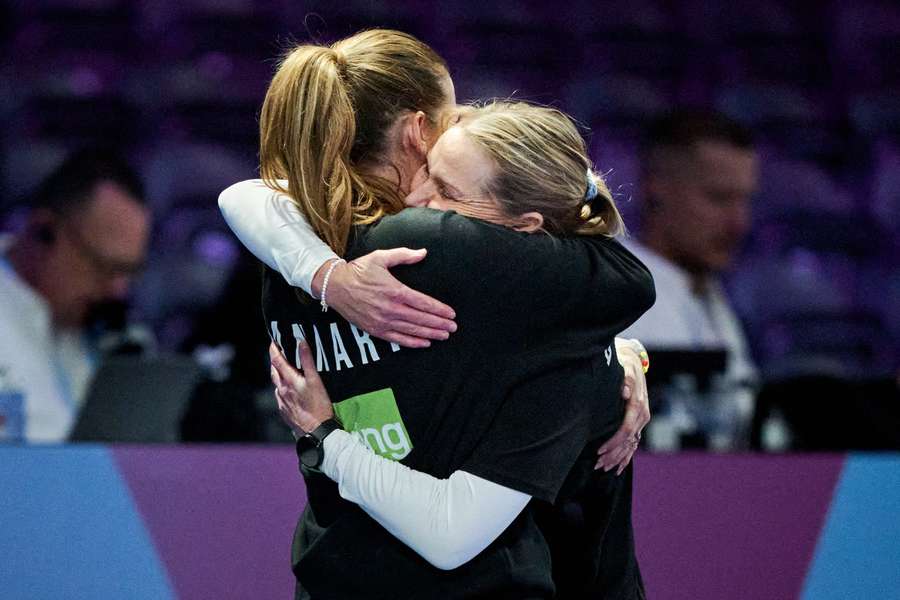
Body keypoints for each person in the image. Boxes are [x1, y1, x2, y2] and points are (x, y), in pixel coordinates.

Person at [223, 29, 653, 599]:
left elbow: (249, 194)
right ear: (417, 132)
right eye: (453, 120)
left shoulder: (288, 254)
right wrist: (613, 352)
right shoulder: (438, 245)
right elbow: (629, 282)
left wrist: (617, 348)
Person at [621, 110, 759, 450]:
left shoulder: (709, 289)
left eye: (746, 200)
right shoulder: (614, 288)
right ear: (655, 190)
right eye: (719, 198)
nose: (739, 222)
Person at [0, 148, 150, 443]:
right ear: (44, 232)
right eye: (104, 267)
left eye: (128, 272)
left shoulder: (115, 333)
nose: (117, 289)